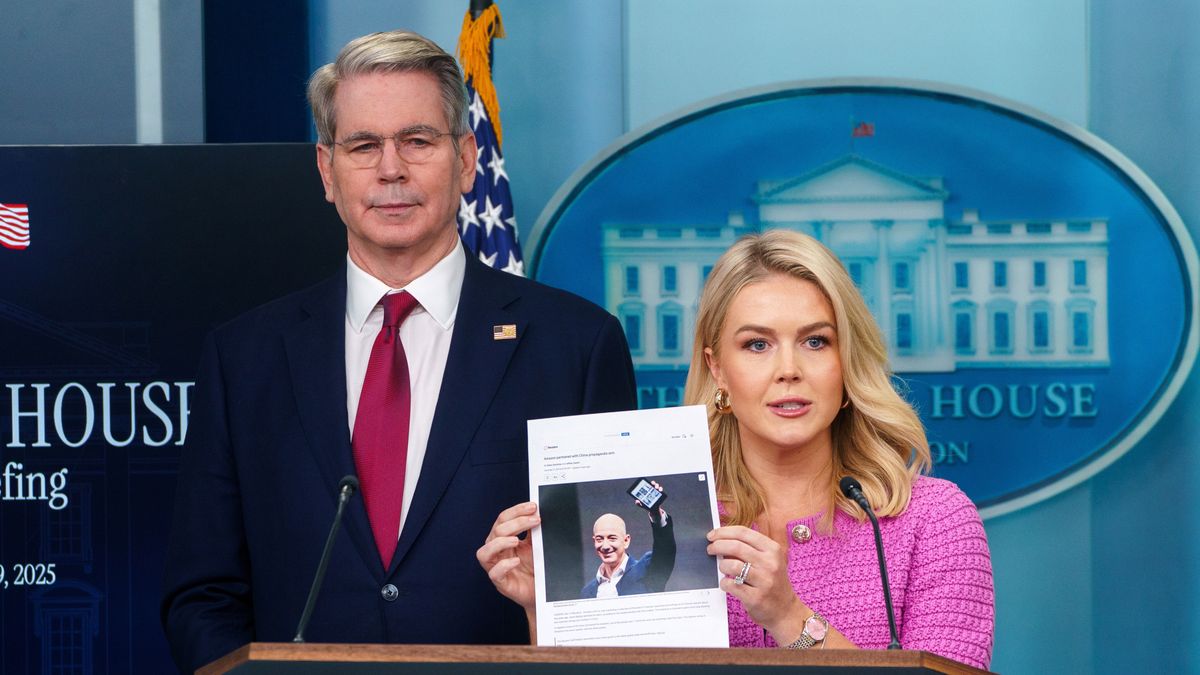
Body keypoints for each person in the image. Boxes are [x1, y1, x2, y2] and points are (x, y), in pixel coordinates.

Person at [160, 30, 636, 672]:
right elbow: (203, 595)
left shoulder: (576, 346)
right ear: (327, 172)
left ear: (467, 160)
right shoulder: (244, 358)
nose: (392, 170)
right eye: (363, 146)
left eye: (417, 140)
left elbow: (613, 595)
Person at [479, 230, 993, 670]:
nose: (788, 369)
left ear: (847, 363)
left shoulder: (933, 520)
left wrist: (789, 617)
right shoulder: (676, 522)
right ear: (718, 369)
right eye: (757, 344)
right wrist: (546, 612)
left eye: (816, 341)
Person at [582, 507, 675, 599]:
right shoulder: (587, 592)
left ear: (626, 541)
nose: (605, 546)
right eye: (599, 539)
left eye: (612, 538)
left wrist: (656, 514)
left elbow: (665, 550)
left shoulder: (647, 570)